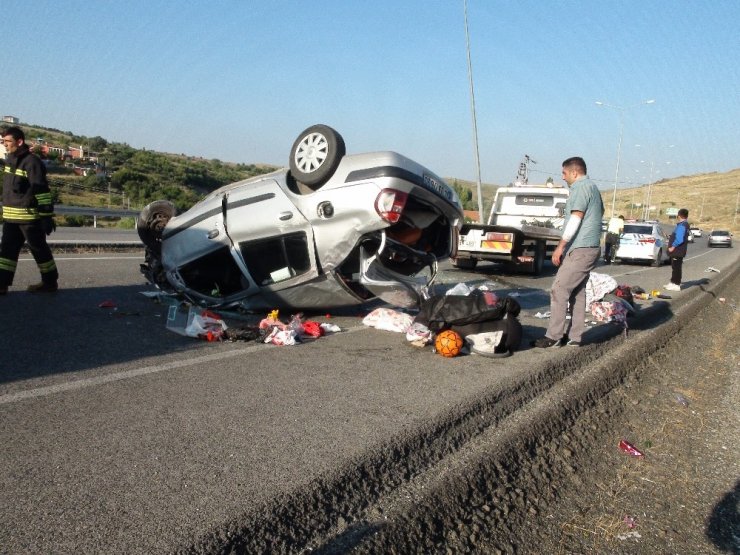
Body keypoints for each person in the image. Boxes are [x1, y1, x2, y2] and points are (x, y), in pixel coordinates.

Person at [531, 157, 604, 348]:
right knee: (577, 292)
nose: (563, 177)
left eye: (564, 173)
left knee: (560, 288)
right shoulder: (593, 189)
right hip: (590, 248)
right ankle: (575, 337)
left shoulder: (581, 188)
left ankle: (554, 336)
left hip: (581, 249)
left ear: (574, 172)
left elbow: (576, 219)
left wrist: (560, 246)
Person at [0, 126, 58, 294]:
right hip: (11, 219)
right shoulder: (11, 160)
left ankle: (50, 282)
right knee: (6, 254)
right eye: (3, 141)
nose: (5, 145)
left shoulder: (32, 162)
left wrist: (46, 216)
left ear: (19, 141)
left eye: (7, 142)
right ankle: (1, 284)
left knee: (39, 251)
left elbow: (42, 191)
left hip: (29, 219)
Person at [664, 208, 690, 291]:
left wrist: (672, 247)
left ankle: (676, 284)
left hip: (677, 250)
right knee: (674, 267)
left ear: (679, 215)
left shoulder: (682, 225)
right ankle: (673, 282)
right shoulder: (683, 224)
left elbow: (679, 239)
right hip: (678, 250)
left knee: (677, 268)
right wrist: (670, 237)